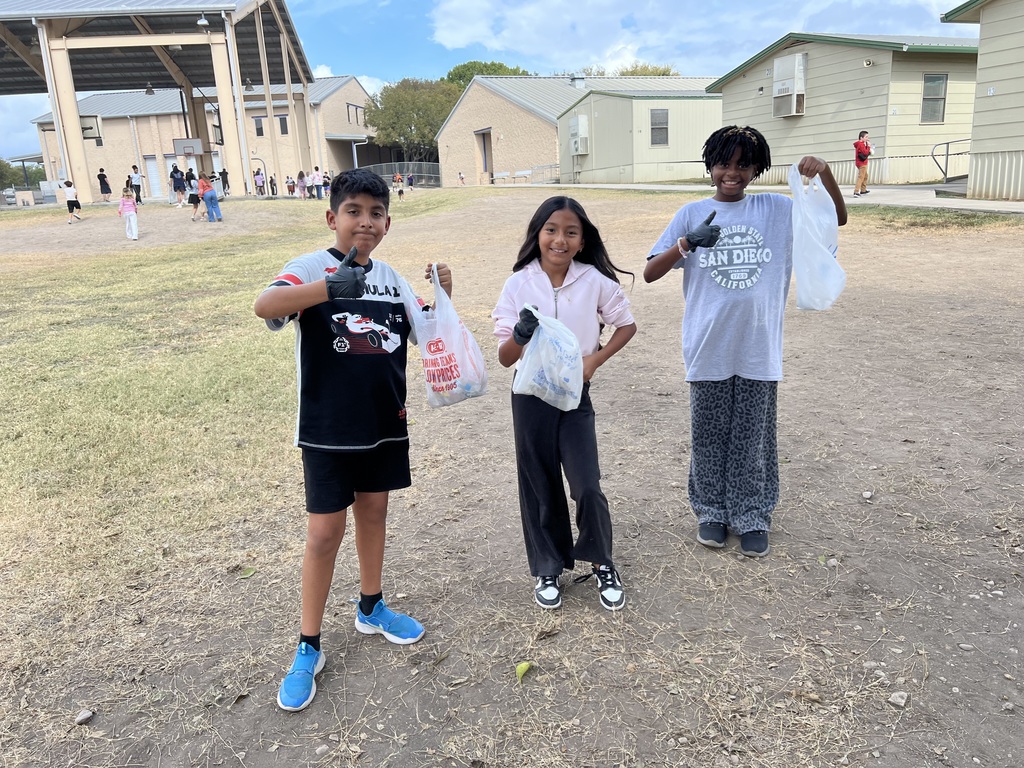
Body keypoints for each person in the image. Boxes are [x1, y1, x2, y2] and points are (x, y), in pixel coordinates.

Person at [253, 168, 453, 712]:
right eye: (354, 211)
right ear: (332, 217)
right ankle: (308, 645)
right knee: (324, 534)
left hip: (385, 422)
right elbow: (265, 306)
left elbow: (424, 334)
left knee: (374, 513)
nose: (365, 222)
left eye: (376, 213)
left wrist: (441, 298)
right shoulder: (308, 267)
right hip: (327, 429)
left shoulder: (391, 277)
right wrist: (327, 289)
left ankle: (371, 606)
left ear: (388, 222)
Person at [643, 125, 847, 558]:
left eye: (742, 164)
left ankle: (753, 514)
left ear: (757, 168)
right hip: (707, 346)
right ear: (710, 166)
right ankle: (711, 512)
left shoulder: (775, 209)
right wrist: (685, 244)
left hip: (758, 349)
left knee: (753, 438)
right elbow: (650, 272)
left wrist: (825, 173)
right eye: (723, 163)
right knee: (709, 437)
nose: (731, 173)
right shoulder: (690, 212)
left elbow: (836, 218)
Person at [492, 196, 637, 612]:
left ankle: (601, 560)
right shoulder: (519, 282)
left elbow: (626, 325)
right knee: (539, 484)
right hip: (530, 398)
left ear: (581, 239)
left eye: (570, 232)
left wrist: (595, 359)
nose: (560, 239)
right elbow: (505, 358)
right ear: (537, 235)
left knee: (587, 483)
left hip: (575, 397)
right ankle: (548, 567)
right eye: (551, 230)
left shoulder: (593, 279)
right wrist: (520, 334)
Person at [853, 130, 873, 198]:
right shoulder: (861, 144)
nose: (868, 138)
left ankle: (863, 190)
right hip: (862, 163)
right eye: (866, 137)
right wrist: (869, 147)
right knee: (861, 177)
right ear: (861, 138)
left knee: (865, 176)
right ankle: (856, 191)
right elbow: (865, 153)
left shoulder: (859, 144)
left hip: (861, 162)